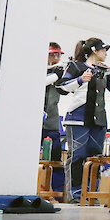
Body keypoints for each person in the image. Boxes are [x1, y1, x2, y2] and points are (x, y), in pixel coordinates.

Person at [57, 37, 110, 203]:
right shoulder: (76, 66)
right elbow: (60, 86)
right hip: (78, 120)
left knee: (96, 160)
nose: (106, 53)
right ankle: (75, 194)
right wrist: (80, 80)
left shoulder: (104, 71)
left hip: (99, 122)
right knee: (77, 157)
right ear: (94, 50)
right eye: (104, 50)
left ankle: (91, 195)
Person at [43, 42, 66, 190]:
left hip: (52, 123)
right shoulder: (38, 71)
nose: (56, 58)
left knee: (56, 160)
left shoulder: (60, 75)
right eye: (53, 54)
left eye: (58, 55)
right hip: (34, 123)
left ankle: (58, 192)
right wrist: (54, 74)